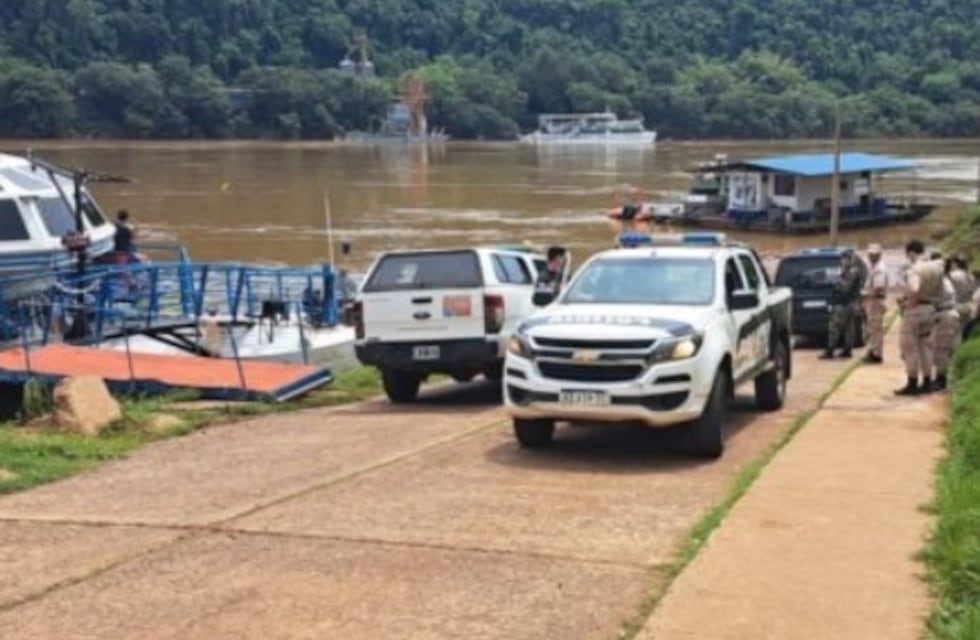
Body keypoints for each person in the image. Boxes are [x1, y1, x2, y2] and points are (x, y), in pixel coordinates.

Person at [894, 240, 943, 395]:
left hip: (916, 311)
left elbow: (914, 289)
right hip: (930, 308)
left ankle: (912, 383)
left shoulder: (914, 269)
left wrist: (907, 302)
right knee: (926, 347)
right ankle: (927, 382)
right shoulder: (936, 267)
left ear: (911, 253)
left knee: (910, 348)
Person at [820, 250, 862, 360]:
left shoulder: (850, 273)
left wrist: (837, 280)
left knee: (835, 326)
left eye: (844, 259)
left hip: (844, 304)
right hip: (849, 303)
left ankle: (830, 350)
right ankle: (847, 349)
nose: (842, 262)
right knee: (848, 328)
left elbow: (845, 288)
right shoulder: (853, 272)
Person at [931, 258, 961, 392]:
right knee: (940, 348)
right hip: (946, 315)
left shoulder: (942, 283)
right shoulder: (943, 281)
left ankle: (941, 380)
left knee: (941, 349)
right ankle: (940, 378)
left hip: (945, 316)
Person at [861, 243, 888, 363]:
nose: (871, 256)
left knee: (876, 329)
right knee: (872, 329)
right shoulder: (873, 267)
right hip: (872, 301)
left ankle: (877, 354)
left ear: (879, 255)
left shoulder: (879, 269)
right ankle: (873, 351)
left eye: (874, 254)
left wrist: (865, 295)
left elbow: (878, 288)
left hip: (876, 301)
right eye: (870, 254)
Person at [948, 255, 975, 336]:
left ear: (955, 264)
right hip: (969, 304)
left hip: (956, 305)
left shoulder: (952, 275)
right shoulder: (969, 275)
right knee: (966, 329)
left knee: (956, 332)